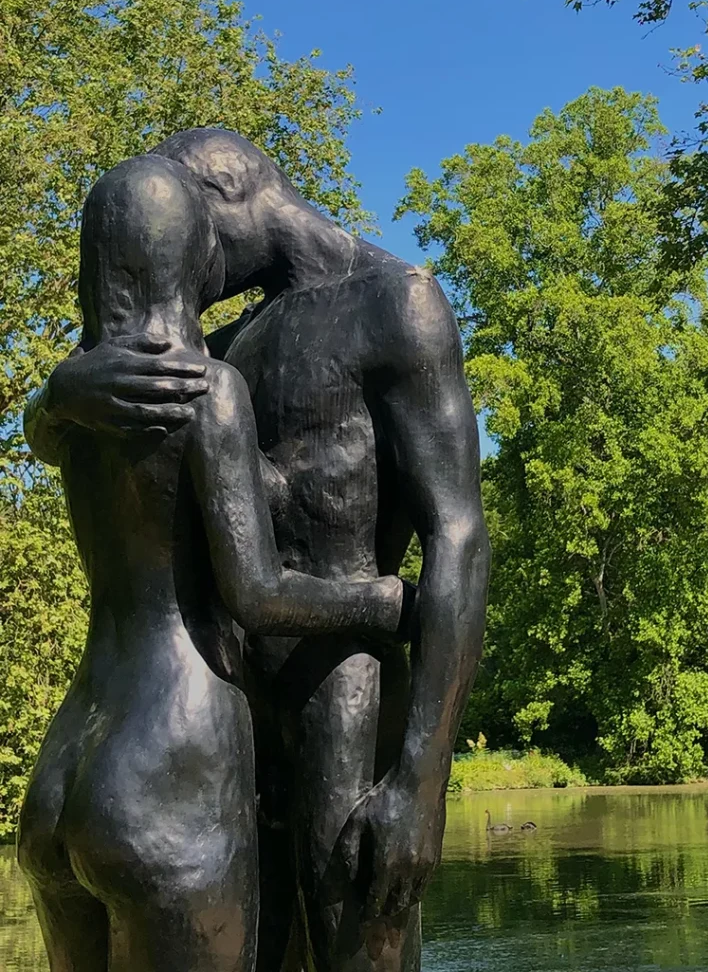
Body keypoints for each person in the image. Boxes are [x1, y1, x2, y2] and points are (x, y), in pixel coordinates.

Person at [25, 129, 490, 971]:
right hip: (223, 725)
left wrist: (423, 782)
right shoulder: (224, 349)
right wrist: (57, 394)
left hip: (345, 707)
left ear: (226, 194)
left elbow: (455, 534)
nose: (184, 267)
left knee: (360, 950)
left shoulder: (398, 301)